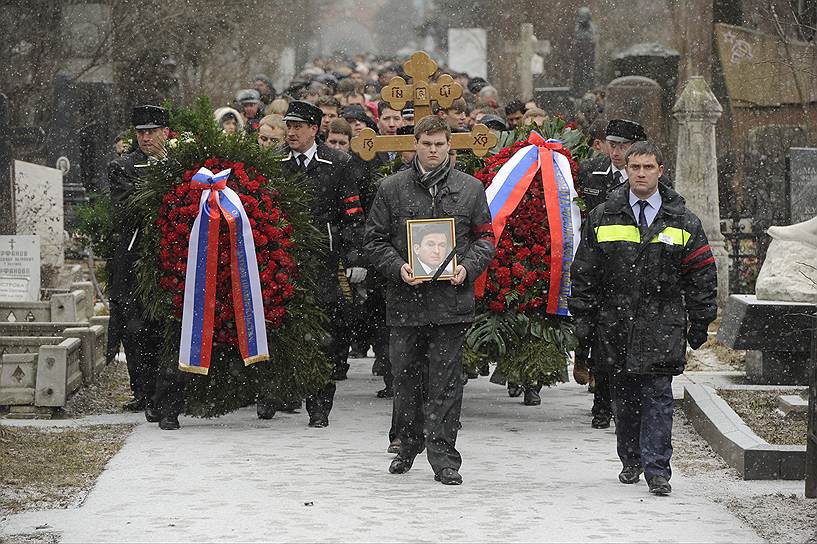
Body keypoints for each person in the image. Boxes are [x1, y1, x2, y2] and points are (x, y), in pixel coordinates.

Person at [569, 141, 717, 496]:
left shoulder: (682, 220)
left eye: (648, 167)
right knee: (624, 398)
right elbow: (585, 274)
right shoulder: (604, 215)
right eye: (635, 167)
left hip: (661, 322)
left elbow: (701, 274)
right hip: (615, 323)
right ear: (627, 170)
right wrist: (584, 324)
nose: (640, 173)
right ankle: (631, 458)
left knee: (658, 397)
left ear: (660, 170)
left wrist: (700, 321)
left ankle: (657, 468)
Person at [364, 115, 495, 485]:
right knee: (405, 379)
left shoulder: (470, 189)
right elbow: (373, 240)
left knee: (446, 381)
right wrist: (398, 267)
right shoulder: (392, 189)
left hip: (450, 302)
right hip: (405, 300)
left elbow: (486, 238)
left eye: (440, 144)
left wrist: (467, 268)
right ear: (415, 145)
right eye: (427, 144)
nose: (433, 150)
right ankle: (406, 445)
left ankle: (444, 458)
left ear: (449, 146)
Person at [260, 100, 365, 427]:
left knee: (325, 334)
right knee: (278, 327)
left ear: (314, 129)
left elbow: (352, 215)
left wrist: (355, 257)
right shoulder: (274, 162)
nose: (292, 132)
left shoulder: (337, 162)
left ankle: (320, 403)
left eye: (299, 127)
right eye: (289, 126)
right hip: (281, 260)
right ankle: (273, 391)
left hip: (322, 260)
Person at [107, 105, 183, 431]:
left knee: (169, 327)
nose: (146, 137)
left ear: (166, 132)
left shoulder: (180, 165)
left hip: (174, 257)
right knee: (137, 329)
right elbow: (128, 210)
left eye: (152, 131)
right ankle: (145, 390)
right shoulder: (123, 167)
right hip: (136, 257)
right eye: (141, 132)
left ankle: (166, 393)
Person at [574, 118, 648, 429]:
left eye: (623, 146)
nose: (615, 152)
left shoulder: (643, 177)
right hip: (598, 265)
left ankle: (620, 402)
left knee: (625, 341)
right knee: (600, 340)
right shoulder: (591, 171)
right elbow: (577, 211)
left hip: (630, 268)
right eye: (612, 144)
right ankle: (601, 402)